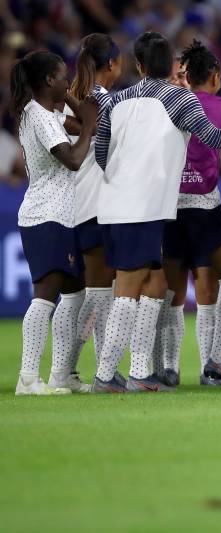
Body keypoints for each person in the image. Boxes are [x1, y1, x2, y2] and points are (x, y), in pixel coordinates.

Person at [90, 31, 221, 393]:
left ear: (139, 65)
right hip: (143, 204)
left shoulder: (117, 100)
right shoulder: (178, 98)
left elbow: (101, 152)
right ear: (171, 66)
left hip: (114, 203)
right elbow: (214, 137)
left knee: (156, 285)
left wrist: (123, 177)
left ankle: (138, 371)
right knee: (130, 288)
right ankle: (108, 375)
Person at [158, 39, 221, 388]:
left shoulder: (167, 105)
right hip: (205, 206)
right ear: (214, 75)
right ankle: (214, 360)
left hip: (168, 208)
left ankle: (166, 367)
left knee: (171, 292)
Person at [12, 50, 95, 396]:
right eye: (63, 77)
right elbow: (73, 159)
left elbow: (90, 121)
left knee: (75, 295)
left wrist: (75, 104)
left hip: (65, 215)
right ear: (48, 80)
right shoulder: (40, 117)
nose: (68, 81)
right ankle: (28, 377)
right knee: (45, 295)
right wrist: (87, 124)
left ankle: (61, 374)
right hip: (46, 214)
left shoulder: (48, 113)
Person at [63, 33, 122, 390]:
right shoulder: (105, 102)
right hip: (98, 204)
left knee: (95, 294)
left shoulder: (70, 99)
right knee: (100, 294)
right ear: (112, 63)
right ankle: (67, 369)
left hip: (75, 203)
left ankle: (101, 369)